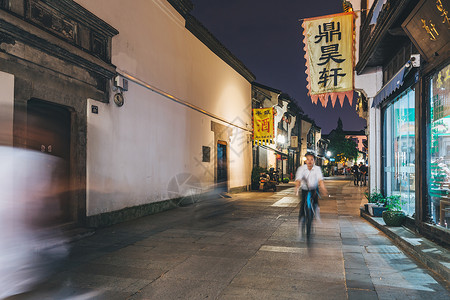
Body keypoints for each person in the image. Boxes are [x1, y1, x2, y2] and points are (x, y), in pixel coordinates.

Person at [295, 152, 329, 223]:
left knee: (315, 201)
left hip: (314, 189)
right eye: (307, 159)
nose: (309, 161)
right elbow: (298, 180)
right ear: (305, 160)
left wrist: (323, 189)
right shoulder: (301, 169)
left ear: (314, 161)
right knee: (303, 203)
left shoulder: (317, 169)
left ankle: (316, 212)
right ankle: (301, 218)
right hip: (304, 189)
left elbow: (320, 180)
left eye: (311, 159)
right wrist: (297, 188)